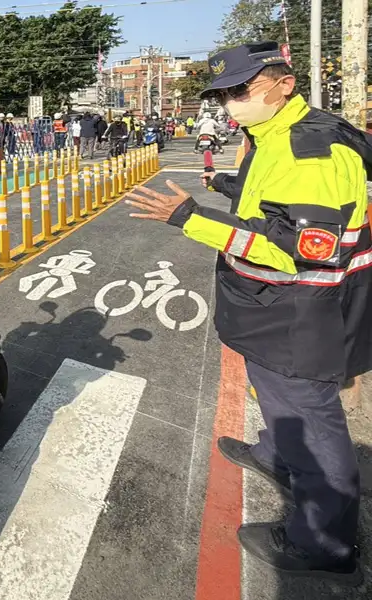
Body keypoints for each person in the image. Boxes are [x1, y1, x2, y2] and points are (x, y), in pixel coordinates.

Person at [124, 41, 372, 586]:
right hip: (275, 310)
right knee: (278, 398)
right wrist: (231, 186)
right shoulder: (277, 134)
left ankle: (323, 545)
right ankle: (275, 453)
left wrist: (189, 217)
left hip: (302, 313)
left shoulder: (312, 149)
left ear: (284, 83)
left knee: (312, 418)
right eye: (223, 93)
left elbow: (299, 245)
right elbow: (281, 201)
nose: (231, 103)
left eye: (241, 89)